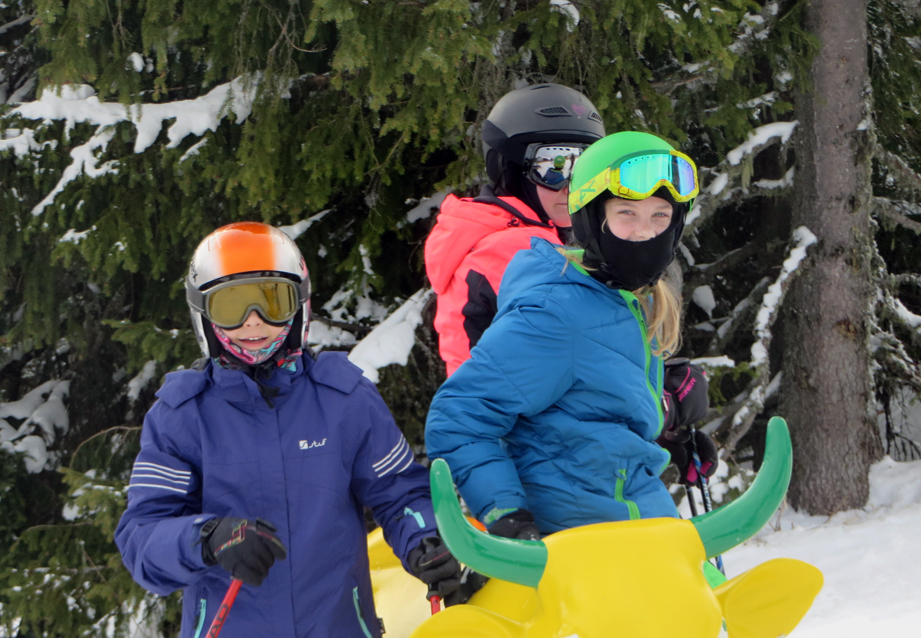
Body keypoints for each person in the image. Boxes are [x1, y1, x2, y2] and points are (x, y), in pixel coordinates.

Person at [115, 222, 461, 638]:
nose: (253, 322)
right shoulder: (184, 416)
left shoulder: (343, 399)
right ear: (203, 314)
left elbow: (399, 493)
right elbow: (143, 537)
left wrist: (425, 539)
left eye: (272, 301)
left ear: (299, 306)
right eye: (232, 306)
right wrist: (207, 539)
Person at [425, 132, 718, 540]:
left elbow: (588, 413)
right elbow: (460, 415)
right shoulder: (555, 309)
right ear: (591, 219)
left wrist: (667, 432)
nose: (644, 232)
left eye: (660, 216)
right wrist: (507, 514)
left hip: (644, 523)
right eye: (626, 214)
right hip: (577, 542)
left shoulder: (633, 301)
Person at [425, 83, 606, 376]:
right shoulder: (519, 246)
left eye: (587, 170)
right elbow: (591, 342)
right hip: (510, 403)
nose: (572, 187)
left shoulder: (494, 232)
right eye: (554, 167)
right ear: (510, 168)